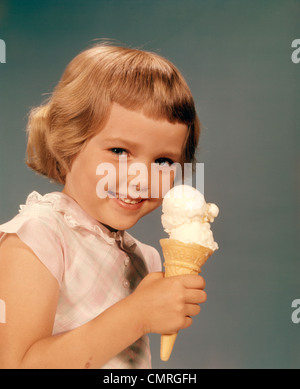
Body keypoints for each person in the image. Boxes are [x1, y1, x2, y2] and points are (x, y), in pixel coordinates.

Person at [0, 43, 207, 369]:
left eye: (164, 160)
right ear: (68, 140)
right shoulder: (38, 237)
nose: (141, 178)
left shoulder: (146, 260)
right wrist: (138, 315)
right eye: (120, 151)